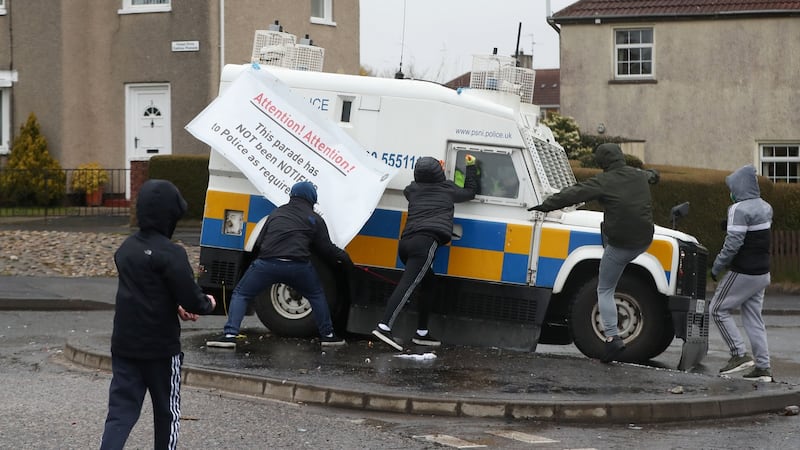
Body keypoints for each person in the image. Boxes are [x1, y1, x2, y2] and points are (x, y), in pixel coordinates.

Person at [101, 179, 217, 450]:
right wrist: (207, 303)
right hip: (161, 350)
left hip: (125, 345)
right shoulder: (172, 253)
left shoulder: (126, 249)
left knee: (120, 412)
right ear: (171, 215)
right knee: (167, 412)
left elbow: (145, 288)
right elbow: (192, 298)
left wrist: (174, 306)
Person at [528, 143, 659, 363]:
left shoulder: (604, 181)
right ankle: (616, 262)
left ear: (601, 163)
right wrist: (654, 175)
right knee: (610, 242)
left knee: (605, 289)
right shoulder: (638, 175)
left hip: (621, 245)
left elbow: (573, 194)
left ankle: (612, 339)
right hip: (644, 241)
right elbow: (652, 176)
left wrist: (544, 206)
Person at [206, 181, 352, 349]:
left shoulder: (276, 213)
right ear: (312, 200)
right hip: (298, 267)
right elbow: (327, 249)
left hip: (267, 265)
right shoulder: (315, 219)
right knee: (316, 295)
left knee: (241, 293)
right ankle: (328, 336)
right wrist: (346, 260)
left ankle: (230, 335)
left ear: (291, 196)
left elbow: (260, 242)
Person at [372, 154, 479, 351]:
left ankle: (422, 333)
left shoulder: (412, 191)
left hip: (405, 244)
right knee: (408, 284)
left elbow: (416, 186)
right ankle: (384, 326)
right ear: (439, 173)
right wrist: (471, 166)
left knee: (429, 283)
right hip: (425, 243)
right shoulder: (448, 189)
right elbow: (470, 192)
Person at [710, 164, 773, 382]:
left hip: (744, 271)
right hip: (762, 272)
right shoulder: (765, 207)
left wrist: (717, 266)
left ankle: (738, 354)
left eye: (733, 188)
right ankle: (763, 368)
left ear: (739, 187)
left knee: (717, 309)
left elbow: (733, 244)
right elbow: (754, 234)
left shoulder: (738, 209)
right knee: (754, 318)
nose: (731, 192)